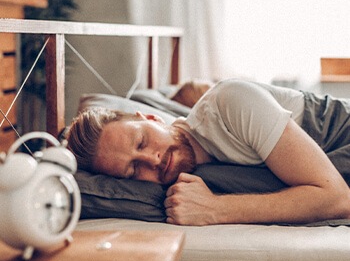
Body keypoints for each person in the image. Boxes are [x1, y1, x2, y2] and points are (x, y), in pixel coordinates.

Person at [66, 79, 350, 226]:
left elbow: (337, 198)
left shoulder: (230, 102)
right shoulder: (203, 173)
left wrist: (215, 209)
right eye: (132, 170)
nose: (152, 160)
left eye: (141, 142)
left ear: (152, 119)